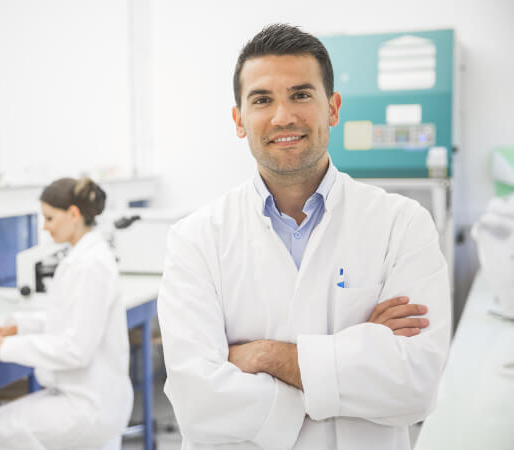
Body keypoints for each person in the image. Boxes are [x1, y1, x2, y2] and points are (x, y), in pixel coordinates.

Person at [157, 24, 451, 450]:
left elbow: (415, 387)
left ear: (332, 108)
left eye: (301, 94)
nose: (283, 117)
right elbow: (197, 404)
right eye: (262, 100)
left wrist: (262, 356)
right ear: (239, 120)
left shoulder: (402, 224)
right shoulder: (195, 239)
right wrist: (356, 358)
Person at [0, 177, 133, 450]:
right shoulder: (84, 258)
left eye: (49, 218)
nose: (45, 227)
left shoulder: (89, 265)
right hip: (85, 397)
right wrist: (18, 327)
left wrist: (6, 346)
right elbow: (72, 320)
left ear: (73, 214)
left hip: (87, 406)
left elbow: (75, 349)